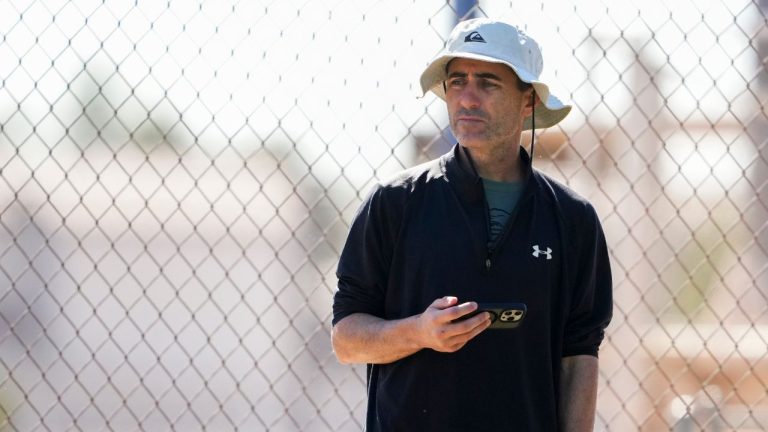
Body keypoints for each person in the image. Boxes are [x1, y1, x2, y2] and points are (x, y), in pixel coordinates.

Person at [331, 18, 612, 432]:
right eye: (457, 81)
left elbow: (580, 353)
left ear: (529, 100)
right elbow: (346, 339)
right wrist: (420, 332)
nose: (467, 98)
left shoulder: (573, 219)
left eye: (488, 83)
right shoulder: (394, 202)